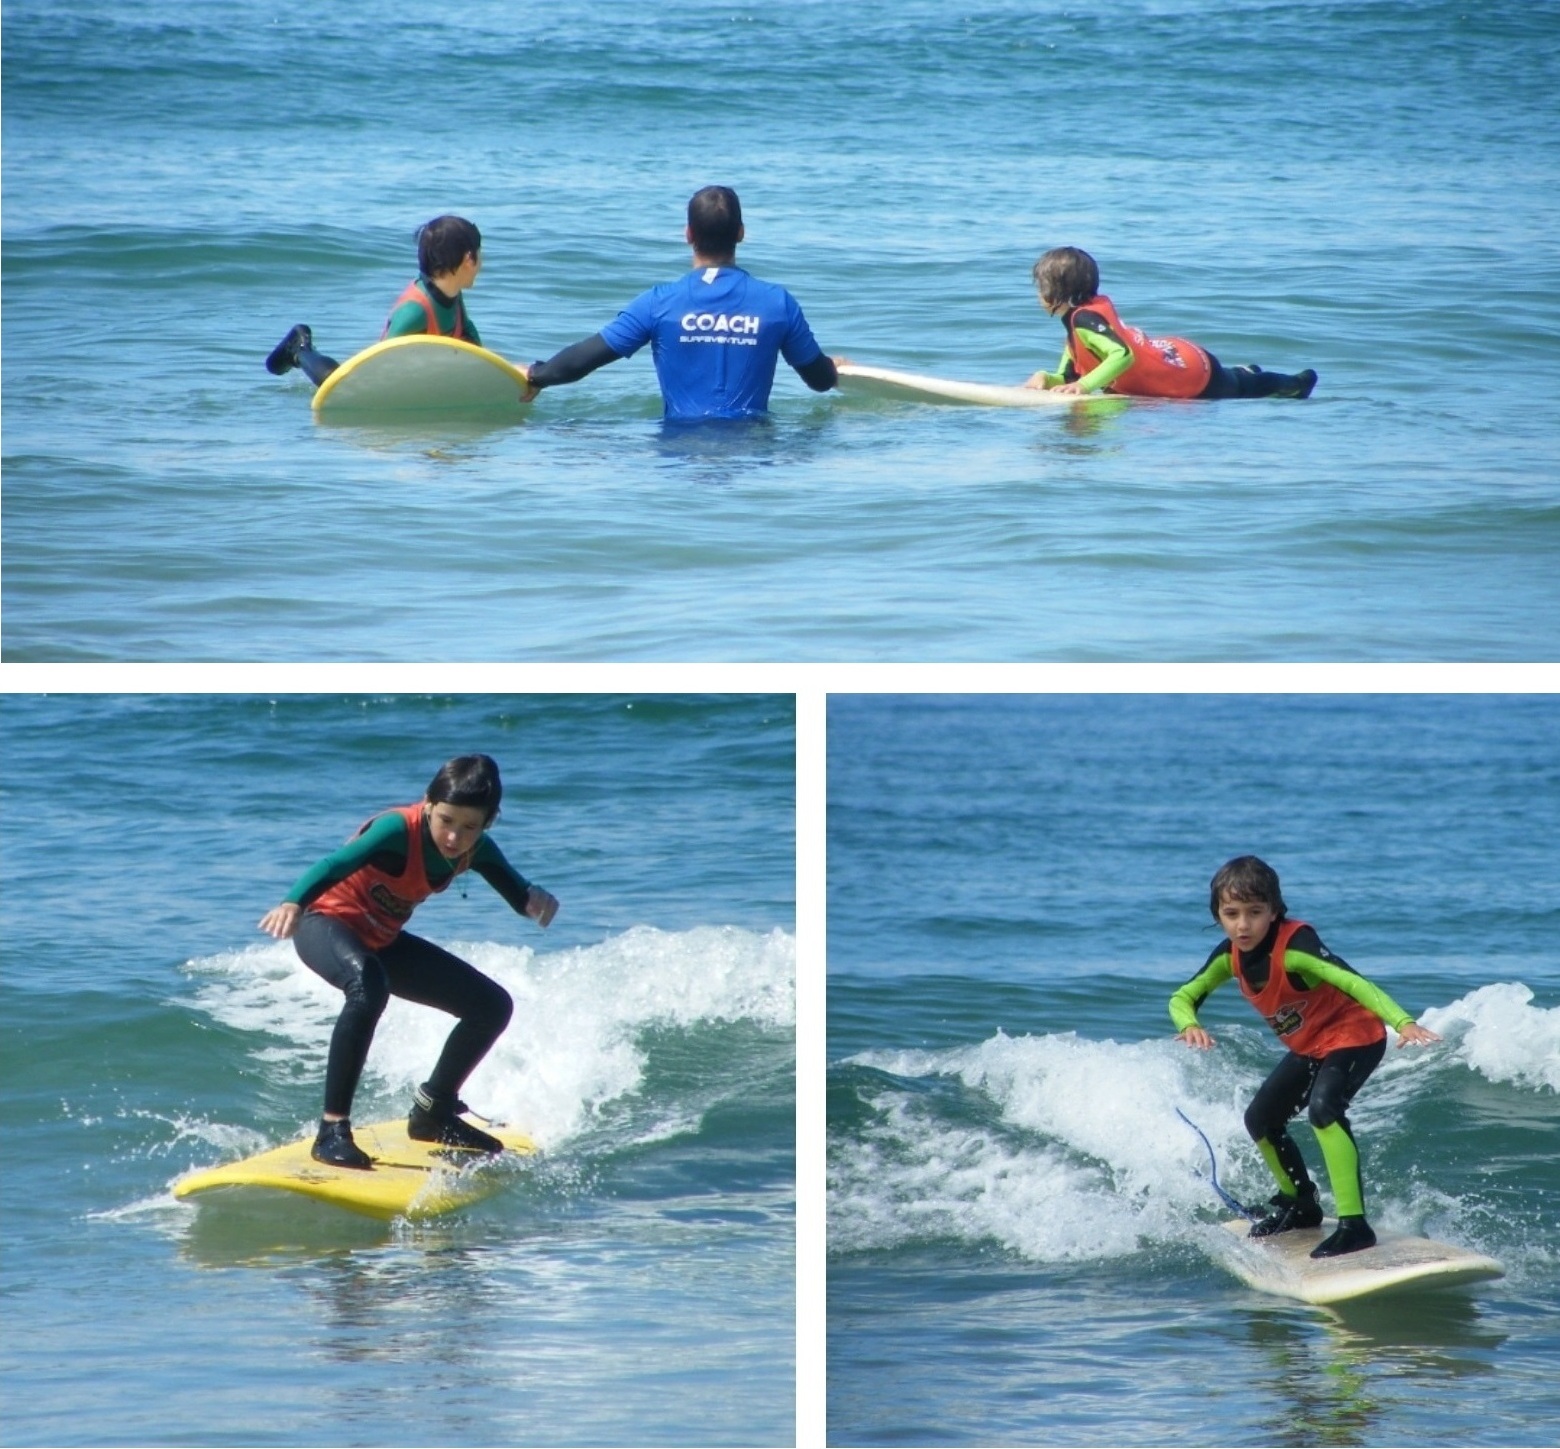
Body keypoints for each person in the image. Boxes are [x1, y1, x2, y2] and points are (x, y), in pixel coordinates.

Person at [257, 754, 558, 1169]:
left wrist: (535, 900)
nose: (454, 837)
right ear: (429, 804)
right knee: (369, 985)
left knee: (490, 1005)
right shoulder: (397, 830)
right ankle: (331, 1131)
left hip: (381, 939)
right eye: (447, 820)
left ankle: (433, 1112)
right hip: (324, 922)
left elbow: (518, 893)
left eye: (470, 827)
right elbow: (335, 863)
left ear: (488, 823)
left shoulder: (477, 849)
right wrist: (293, 901)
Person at [1169, 855, 1440, 1257]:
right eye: (1231, 914)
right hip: (1311, 1046)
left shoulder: (1295, 947)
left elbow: (1352, 981)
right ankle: (1300, 1203)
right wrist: (1188, 1024)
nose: (1243, 925)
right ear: (1218, 915)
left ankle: (1354, 1226)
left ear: (1275, 911)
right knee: (1260, 1119)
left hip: (1355, 1037)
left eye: (1255, 913)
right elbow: (1182, 996)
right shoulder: (1230, 957)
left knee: (1324, 1110)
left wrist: (1402, 1022)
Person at [523, 186, 842, 421]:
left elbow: (581, 361)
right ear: (741, 233)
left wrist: (538, 374)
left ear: (688, 234)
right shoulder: (777, 303)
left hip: (678, 457)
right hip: (752, 457)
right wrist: (831, 368)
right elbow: (819, 381)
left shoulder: (659, 302)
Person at [1024, 246, 1318, 400]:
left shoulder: (1085, 319)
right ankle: (1243, 370)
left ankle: (1296, 384)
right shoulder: (1077, 326)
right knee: (1237, 378)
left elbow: (1121, 355)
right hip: (1169, 355)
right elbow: (1071, 375)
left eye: (1042, 286)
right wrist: (1047, 379)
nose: (1038, 293)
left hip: (1192, 375)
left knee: (1245, 388)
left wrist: (1087, 387)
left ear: (1061, 291)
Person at [263, 215, 486, 386]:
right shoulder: (414, 311)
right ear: (468, 259)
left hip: (417, 375)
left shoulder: (452, 293)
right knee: (335, 380)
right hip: (381, 379)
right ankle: (300, 349)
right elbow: (380, 364)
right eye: (480, 255)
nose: (482, 264)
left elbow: (469, 337)